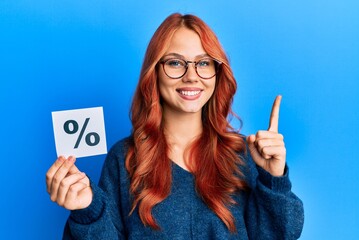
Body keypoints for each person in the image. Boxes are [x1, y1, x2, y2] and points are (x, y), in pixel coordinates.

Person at [46, 13, 304, 239]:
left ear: (217, 73)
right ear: (154, 73)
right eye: (175, 63)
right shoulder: (123, 159)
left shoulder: (244, 156)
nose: (191, 76)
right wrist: (87, 210)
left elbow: (279, 235)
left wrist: (273, 180)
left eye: (203, 63)